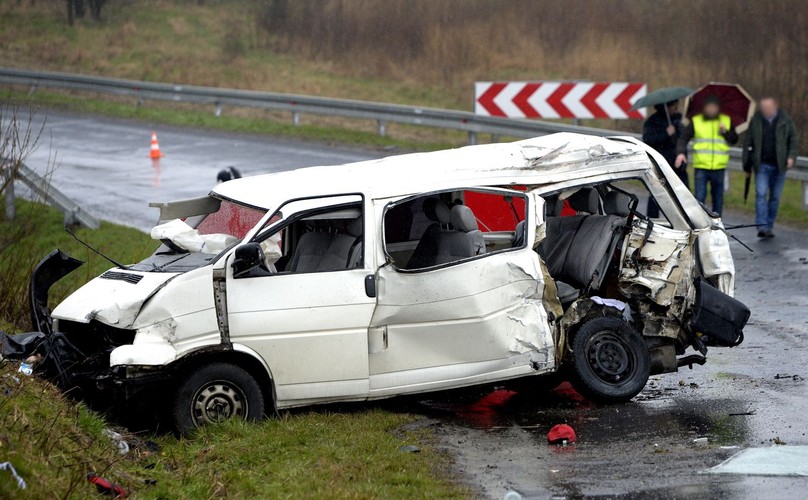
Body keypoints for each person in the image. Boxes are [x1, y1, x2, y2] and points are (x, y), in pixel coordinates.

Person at [743, 97, 799, 238]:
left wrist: (791, 157)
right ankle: (761, 226)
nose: (765, 111)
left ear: (775, 107)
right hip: (762, 164)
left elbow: (793, 139)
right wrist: (746, 164)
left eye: (767, 108)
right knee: (761, 194)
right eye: (763, 108)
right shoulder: (756, 121)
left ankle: (769, 225)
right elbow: (748, 142)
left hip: (780, 166)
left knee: (775, 197)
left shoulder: (785, 120)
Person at [675, 95, 738, 216]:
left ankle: (717, 226)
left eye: (714, 107)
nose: (711, 109)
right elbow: (683, 138)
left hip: (719, 167)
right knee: (699, 198)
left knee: (718, 199)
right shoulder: (696, 120)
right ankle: (700, 223)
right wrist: (680, 153)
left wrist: (726, 132)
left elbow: (734, 139)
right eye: (709, 107)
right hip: (701, 166)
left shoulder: (726, 120)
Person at [642, 99, 686, 218]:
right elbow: (648, 139)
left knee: (681, 196)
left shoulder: (679, 120)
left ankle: (681, 221)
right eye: (674, 107)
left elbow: (684, 138)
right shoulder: (652, 121)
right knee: (656, 194)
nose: (676, 109)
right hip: (659, 165)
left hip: (677, 165)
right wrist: (666, 133)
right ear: (667, 107)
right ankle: (653, 220)